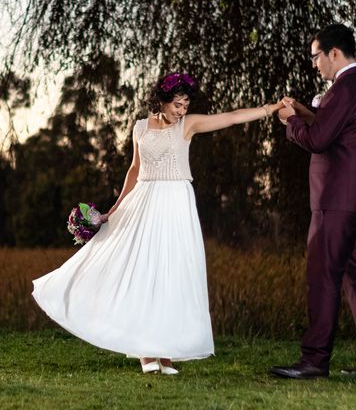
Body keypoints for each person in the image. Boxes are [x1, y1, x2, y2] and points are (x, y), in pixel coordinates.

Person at [32, 73, 282, 374]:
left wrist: (270, 108)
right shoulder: (139, 127)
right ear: (161, 101)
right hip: (144, 200)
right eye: (177, 104)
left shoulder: (187, 125)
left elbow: (229, 118)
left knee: (172, 274)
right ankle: (144, 350)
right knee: (143, 271)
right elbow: (135, 169)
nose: (182, 110)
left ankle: (166, 352)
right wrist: (115, 207)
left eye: (186, 104)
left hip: (177, 202)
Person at [270, 24, 356, 379]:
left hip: (334, 199)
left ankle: (314, 361)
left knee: (323, 276)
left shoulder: (342, 89)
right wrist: (305, 110)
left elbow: (319, 140)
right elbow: (338, 129)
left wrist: (291, 121)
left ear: (334, 53)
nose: (314, 64)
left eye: (316, 57)